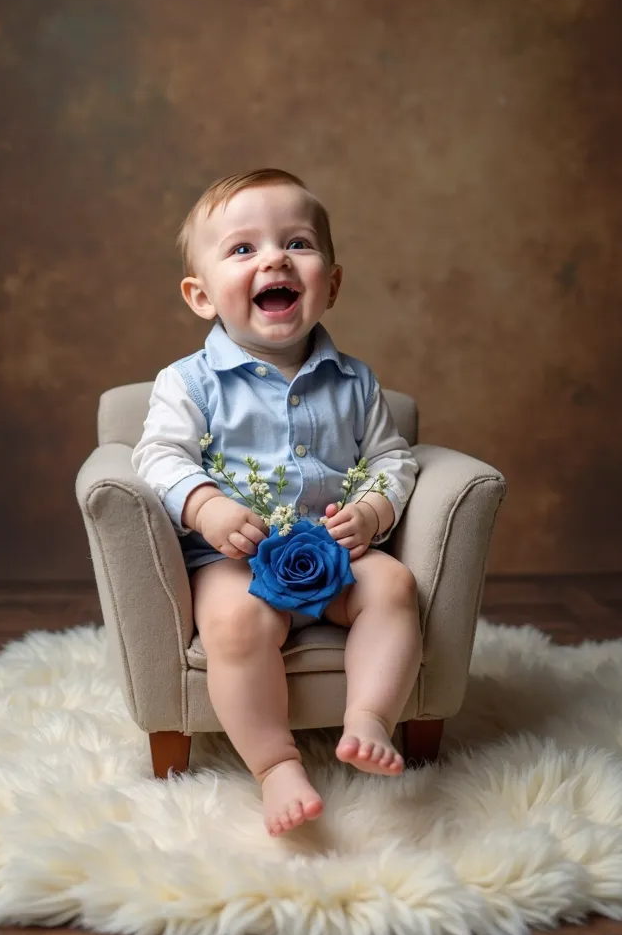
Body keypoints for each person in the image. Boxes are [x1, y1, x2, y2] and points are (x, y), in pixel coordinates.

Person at [132, 168, 422, 837]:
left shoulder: (354, 382)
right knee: (236, 626)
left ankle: (370, 716)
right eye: (243, 249)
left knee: (395, 585)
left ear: (332, 282)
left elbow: (390, 459)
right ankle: (274, 764)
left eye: (297, 243)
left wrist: (374, 513)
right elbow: (157, 457)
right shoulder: (189, 383)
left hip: (338, 552)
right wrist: (206, 506)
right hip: (237, 559)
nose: (273, 259)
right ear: (200, 295)